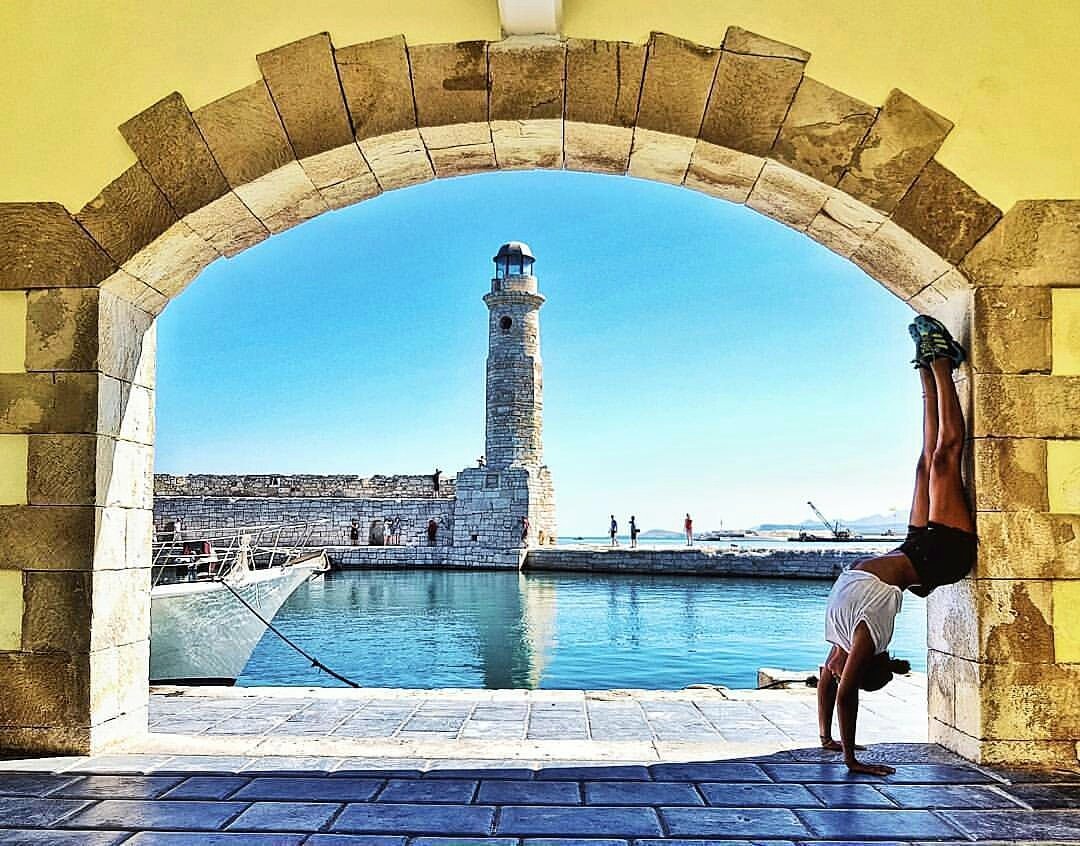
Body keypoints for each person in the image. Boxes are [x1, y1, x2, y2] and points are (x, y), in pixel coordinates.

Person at [817, 316, 977, 777]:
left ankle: (926, 369)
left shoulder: (840, 646)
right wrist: (852, 758)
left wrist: (827, 739)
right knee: (946, 457)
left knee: (922, 462)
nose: (837, 667)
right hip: (943, 555)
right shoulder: (869, 638)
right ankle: (942, 364)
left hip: (913, 549)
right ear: (870, 662)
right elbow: (845, 691)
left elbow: (830, 684)